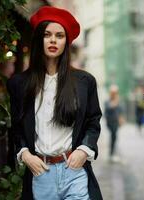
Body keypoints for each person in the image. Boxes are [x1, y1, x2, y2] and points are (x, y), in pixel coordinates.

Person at [7, 6, 102, 200]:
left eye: (59, 36)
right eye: (47, 35)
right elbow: (16, 128)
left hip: (73, 170)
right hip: (40, 173)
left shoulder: (84, 82)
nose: (53, 40)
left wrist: (83, 151)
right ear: (38, 40)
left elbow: (93, 122)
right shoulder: (20, 84)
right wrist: (25, 155)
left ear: (66, 42)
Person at [104, 84, 123, 162]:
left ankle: (112, 153)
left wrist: (121, 119)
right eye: (113, 92)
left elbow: (120, 110)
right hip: (110, 122)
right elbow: (108, 108)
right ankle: (111, 154)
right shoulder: (108, 101)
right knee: (113, 136)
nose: (114, 94)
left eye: (115, 92)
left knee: (114, 137)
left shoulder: (118, 101)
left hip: (116, 122)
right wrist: (115, 102)